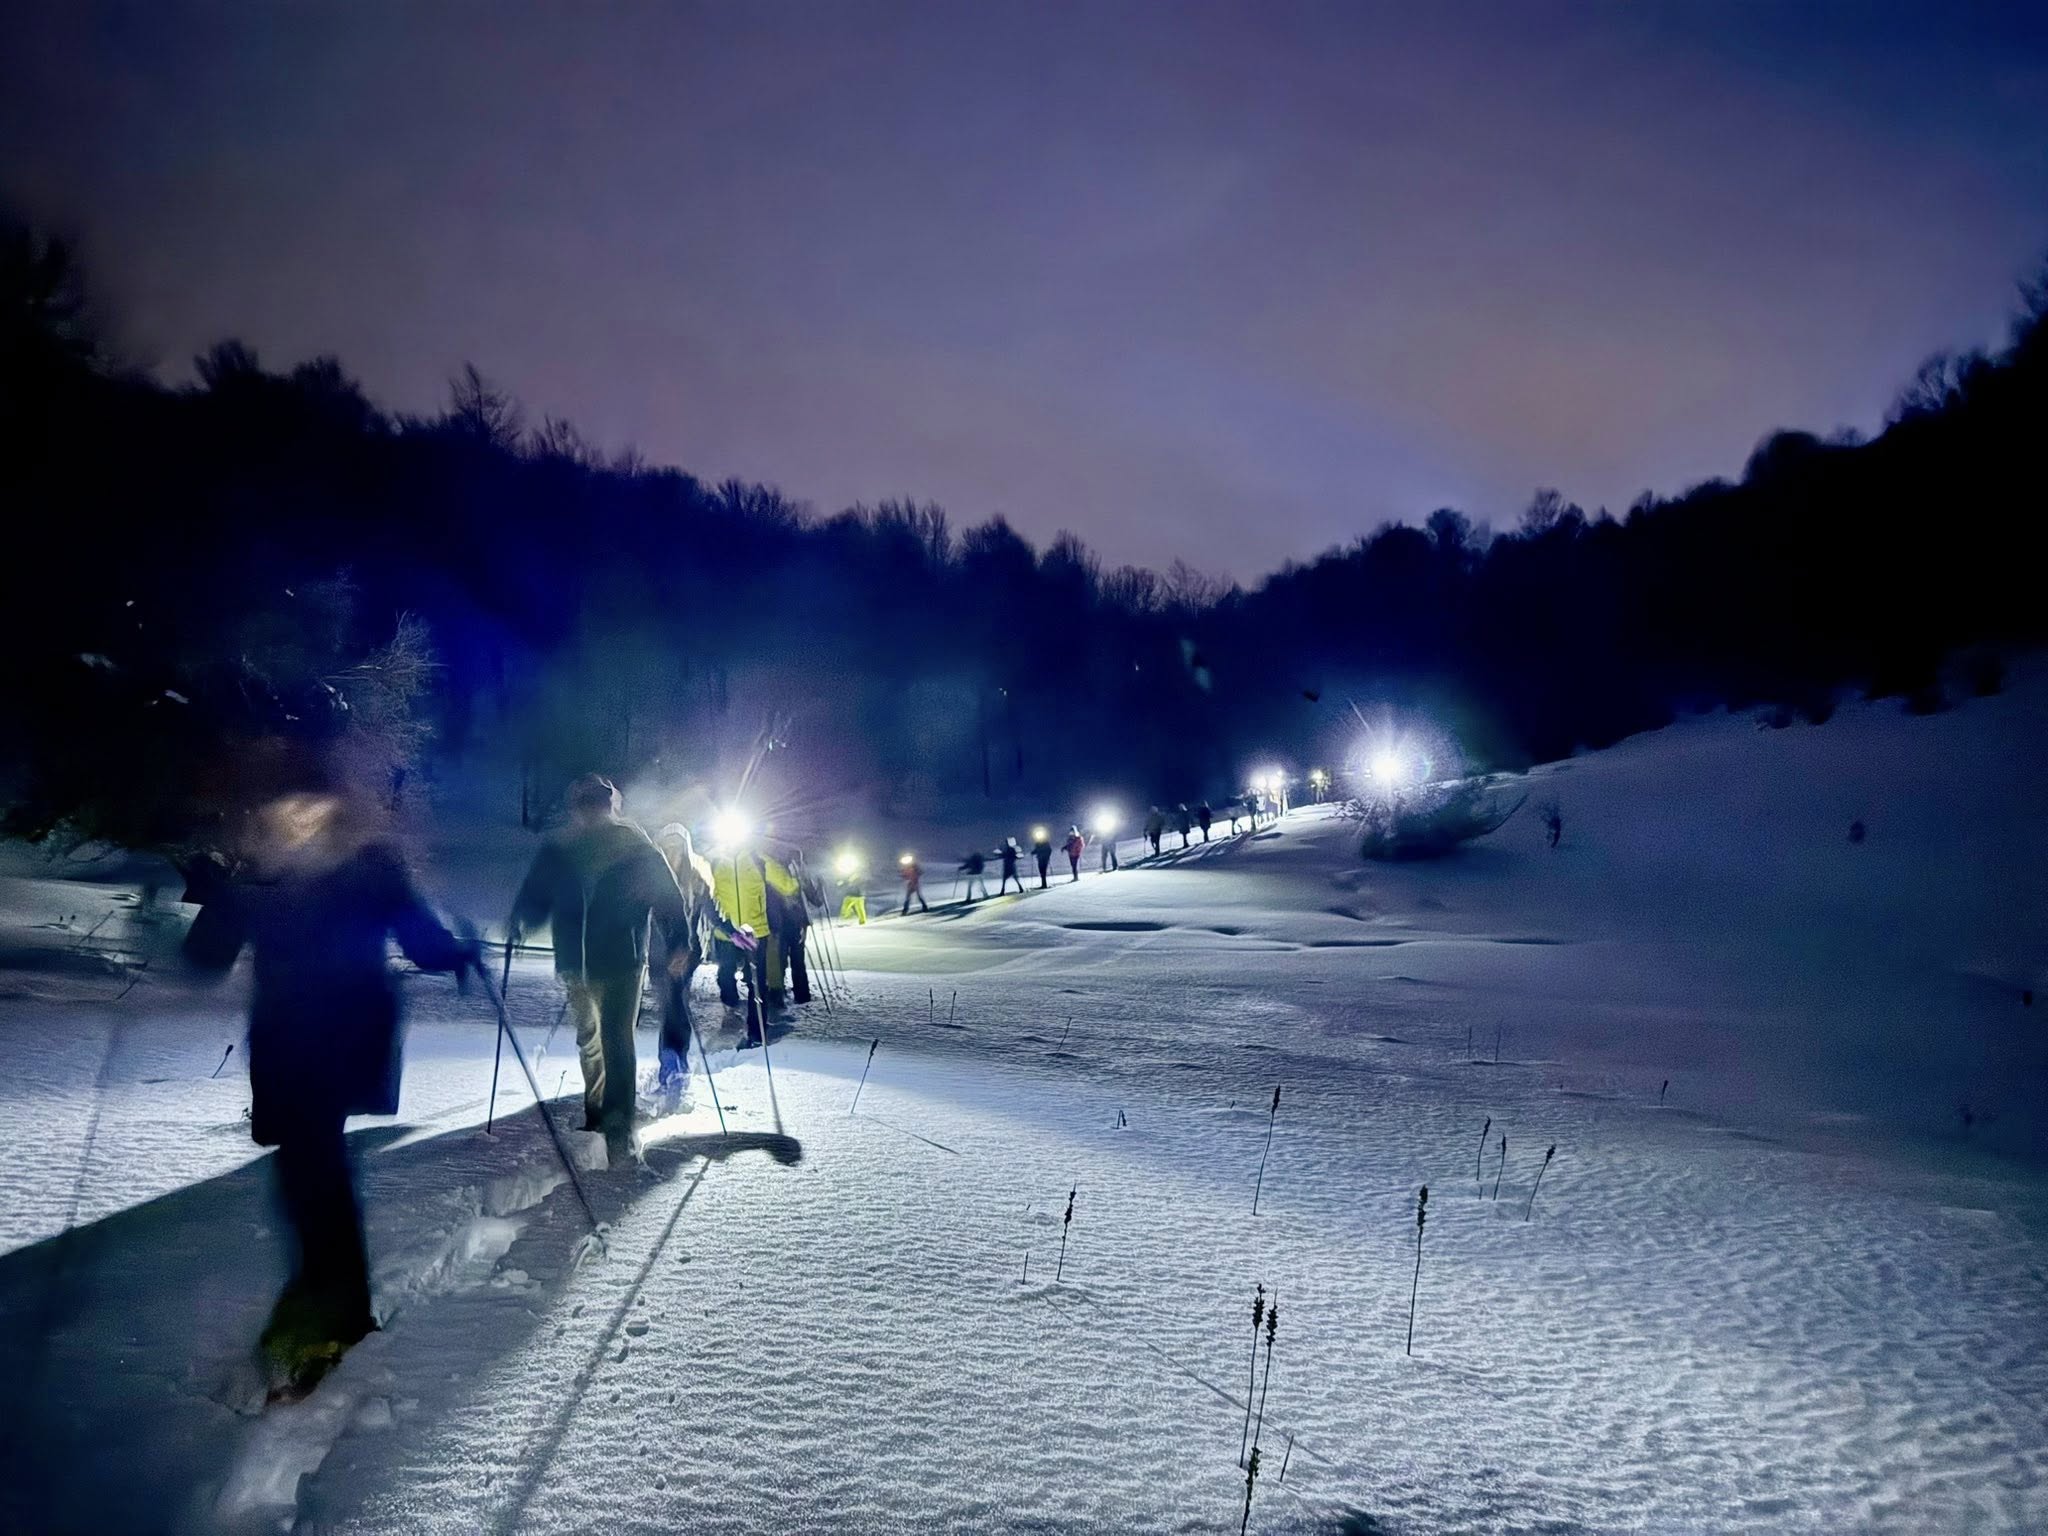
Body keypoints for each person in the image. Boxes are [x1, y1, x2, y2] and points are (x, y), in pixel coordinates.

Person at [184, 781, 479, 1399]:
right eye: (278, 811)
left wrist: (459, 951)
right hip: (284, 1043)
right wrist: (216, 895)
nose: (291, 822)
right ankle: (327, 1300)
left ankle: (335, 1314)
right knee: (304, 1175)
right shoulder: (262, 879)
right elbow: (207, 956)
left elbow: (423, 944)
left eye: (304, 808)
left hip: (342, 1041)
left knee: (314, 1172)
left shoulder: (371, 871)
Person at [508, 773, 698, 1160]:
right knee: (591, 1039)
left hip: (622, 960)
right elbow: (536, 893)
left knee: (613, 1039)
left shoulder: (637, 847)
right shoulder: (560, 850)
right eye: (585, 805)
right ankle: (597, 1112)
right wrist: (520, 921)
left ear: (609, 806)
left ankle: (616, 1124)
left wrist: (680, 942)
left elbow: (667, 898)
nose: (591, 813)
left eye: (596, 805)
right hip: (578, 962)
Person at [654, 822, 738, 1089]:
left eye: (677, 850)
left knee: (676, 1006)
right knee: (671, 1008)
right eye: (666, 850)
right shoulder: (652, 879)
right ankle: (671, 1063)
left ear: (686, 851)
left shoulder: (696, 881)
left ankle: (676, 1062)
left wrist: (733, 932)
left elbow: (713, 912)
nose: (672, 856)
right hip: (658, 954)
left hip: (688, 954)